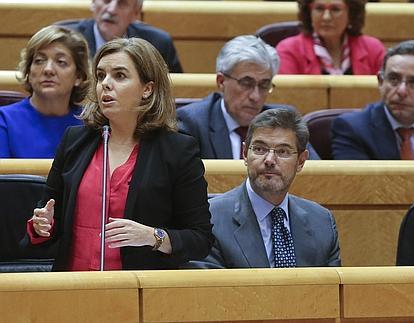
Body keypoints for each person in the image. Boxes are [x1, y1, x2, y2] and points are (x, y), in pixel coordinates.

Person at [24, 38, 213, 271]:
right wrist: (42, 225)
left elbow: (200, 239)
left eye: (120, 76)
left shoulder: (177, 151)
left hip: (137, 292)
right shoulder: (75, 141)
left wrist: (154, 236)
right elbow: (46, 218)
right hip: (73, 287)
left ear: (147, 89)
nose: (106, 84)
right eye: (101, 75)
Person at [189, 108, 341, 268]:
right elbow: (208, 291)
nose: (269, 160)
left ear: (301, 161)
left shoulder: (322, 223)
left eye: (283, 151)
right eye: (260, 149)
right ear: (245, 153)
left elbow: (332, 290)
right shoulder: (208, 220)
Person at [177, 35, 320, 159]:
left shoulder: (285, 121)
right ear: (221, 82)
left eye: (264, 85)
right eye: (246, 83)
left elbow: (315, 177)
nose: (255, 96)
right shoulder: (192, 123)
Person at [331, 40, 414, 160]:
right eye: (394, 79)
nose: (402, 91)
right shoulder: (353, 128)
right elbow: (358, 188)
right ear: (381, 82)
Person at [0, 25, 89, 158]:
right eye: (39, 61)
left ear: (78, 76)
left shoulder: (91, 124)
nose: (48, 69)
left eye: (61, 62)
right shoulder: (5, 120)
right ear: (29, 72)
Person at [66, 0, 183, 73]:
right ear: (93, 2)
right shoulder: (67, 40)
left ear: (136, 13)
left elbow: (175, 94)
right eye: (106, 0)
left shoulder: (157, 43)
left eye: (122, 3)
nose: (111, 10)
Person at [276, 0, 385, 75]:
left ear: (351, 13)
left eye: (335, 9)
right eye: (319, 9)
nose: (326, 17)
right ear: (309, 13)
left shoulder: (373, 49)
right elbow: (288, 98)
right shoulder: (289, 50)